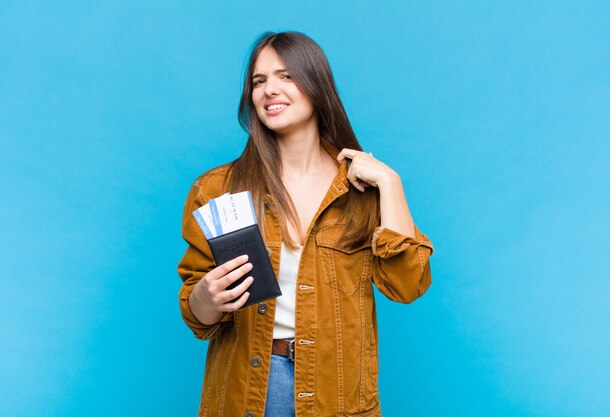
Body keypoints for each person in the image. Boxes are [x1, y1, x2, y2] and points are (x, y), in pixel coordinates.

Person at [177, 31, 434, 417]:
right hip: (249, 391)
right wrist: (206, 298)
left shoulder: (361, 189)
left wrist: (391, 186)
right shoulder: (218, 189)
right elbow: (198, 315)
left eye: (285, 76)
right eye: (258, 81)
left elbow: (408, 285)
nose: (269, 90)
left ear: (316, 86)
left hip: (338, 392)